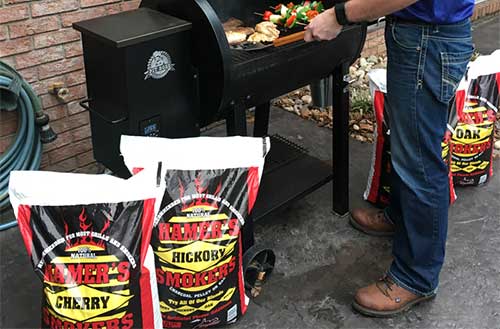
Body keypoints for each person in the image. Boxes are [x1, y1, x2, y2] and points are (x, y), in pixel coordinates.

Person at [305, 0, 475, 317]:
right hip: (419, 36)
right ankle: (399, 216)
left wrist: (340, 15)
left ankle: (416, 278)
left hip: (429, 41)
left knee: (420, 164)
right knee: (407, 147)